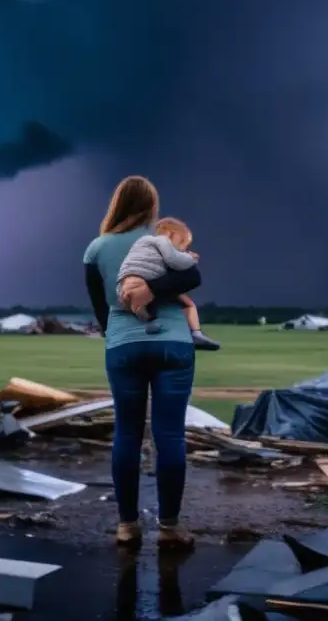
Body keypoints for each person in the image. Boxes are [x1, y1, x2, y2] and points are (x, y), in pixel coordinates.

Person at [83, 175, 201, 550]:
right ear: (152, 207)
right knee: (170, 435)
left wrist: (116, 332)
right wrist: (157, 290)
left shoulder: (96, 248)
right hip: (173, 345)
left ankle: (127, 527)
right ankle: (169, 528)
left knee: (127, 434)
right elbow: (194, 275)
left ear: (116, 204)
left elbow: (100, 307)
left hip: (123, 346)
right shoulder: (163, 241)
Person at [115, 216, 221, 350]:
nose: (183, 248)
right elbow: (173, 260)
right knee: (190, 281)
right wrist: (190, 258)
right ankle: (195, 333)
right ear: (170, 233)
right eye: (182, 242)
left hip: (123, 288)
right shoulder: (162, 240)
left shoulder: (143, 247)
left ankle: (151, 322)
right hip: (142, 281)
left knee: (185, 304)